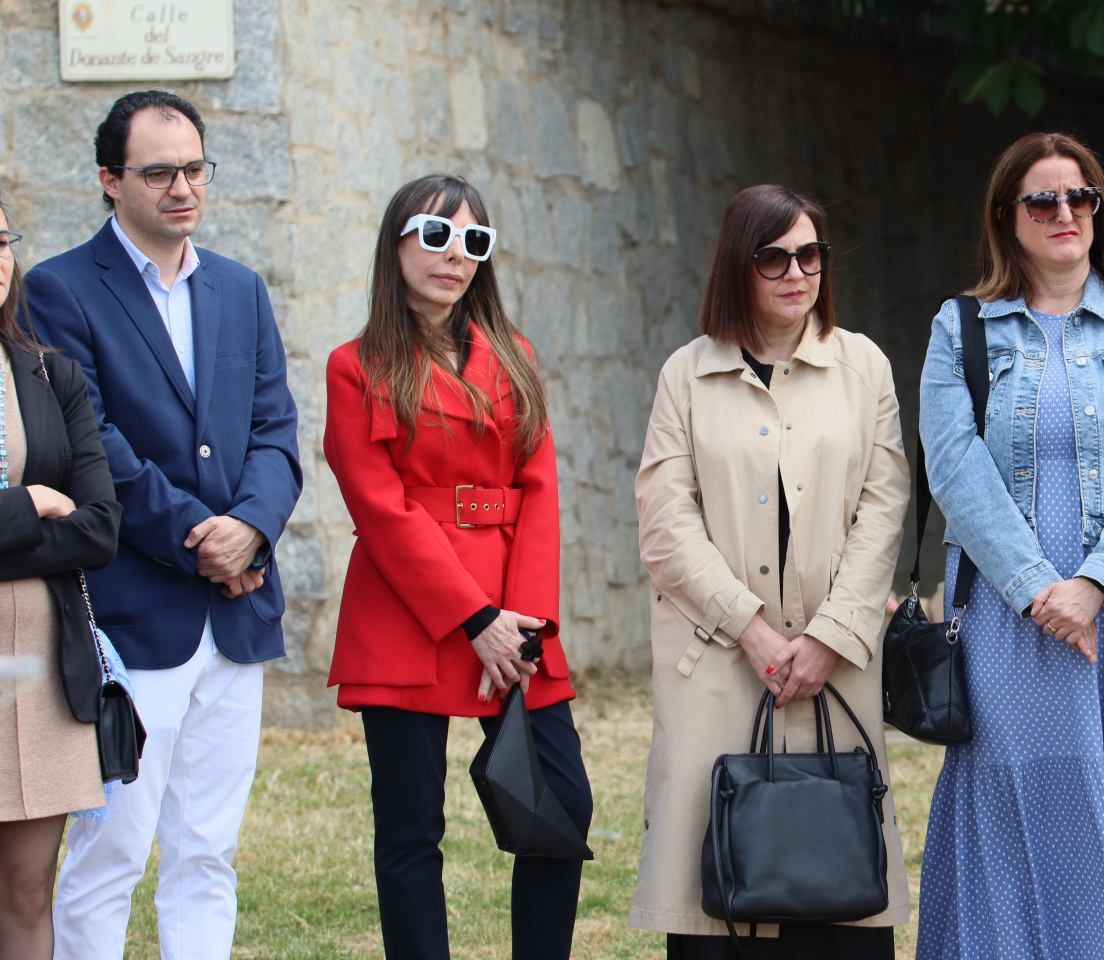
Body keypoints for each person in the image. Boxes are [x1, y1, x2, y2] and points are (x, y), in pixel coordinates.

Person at [26, 90, 302, 960]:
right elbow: (91, 444)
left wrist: (251, 529)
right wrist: (203, 539)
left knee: (207, 852)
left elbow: (274, 430)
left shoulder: (240, 287)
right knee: (110, 852)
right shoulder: (57, 289)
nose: (182, 188)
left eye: (194, 169)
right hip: (133, 615)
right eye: (158, 173)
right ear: (110, 180)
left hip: (237, 615)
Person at [915, 131, 1104, 958]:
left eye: (1081, 197)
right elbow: (954, 466)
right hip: (1010, 609)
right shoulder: (960, 327)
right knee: (1016, 792)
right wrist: (1042, 587)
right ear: (1008, 216)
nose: (1065, 213)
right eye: (1043, 199)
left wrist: (1096, 584)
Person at [632, 183, 910, 957]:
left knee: (836, 890)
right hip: (719, 663)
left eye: (811, 254)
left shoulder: (865, 368)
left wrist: (830, 636)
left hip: (836, 660)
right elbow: (665, 521)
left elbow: (883, 510)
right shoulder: (685, 376)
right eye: (774, 257)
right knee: (716, 893)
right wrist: (750, 630)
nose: (797, 272)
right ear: (738, 266)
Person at [322, 174, 591, 960]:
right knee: (411, 831)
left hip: (518, 616)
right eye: (435, 236)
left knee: (560, 809)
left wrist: (524, 625)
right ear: (396, 244)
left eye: (474, 241)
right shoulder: (355, 365)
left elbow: (539, 491)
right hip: (411, 610)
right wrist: (473, 619)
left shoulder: (517, 355)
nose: (455, 256)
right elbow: (379, 506)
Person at [0, 200, 120, 960]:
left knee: (26, 885)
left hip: (37, 667)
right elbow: (58, 521)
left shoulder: (51, 373)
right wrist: (26, 508)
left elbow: (100, 528)